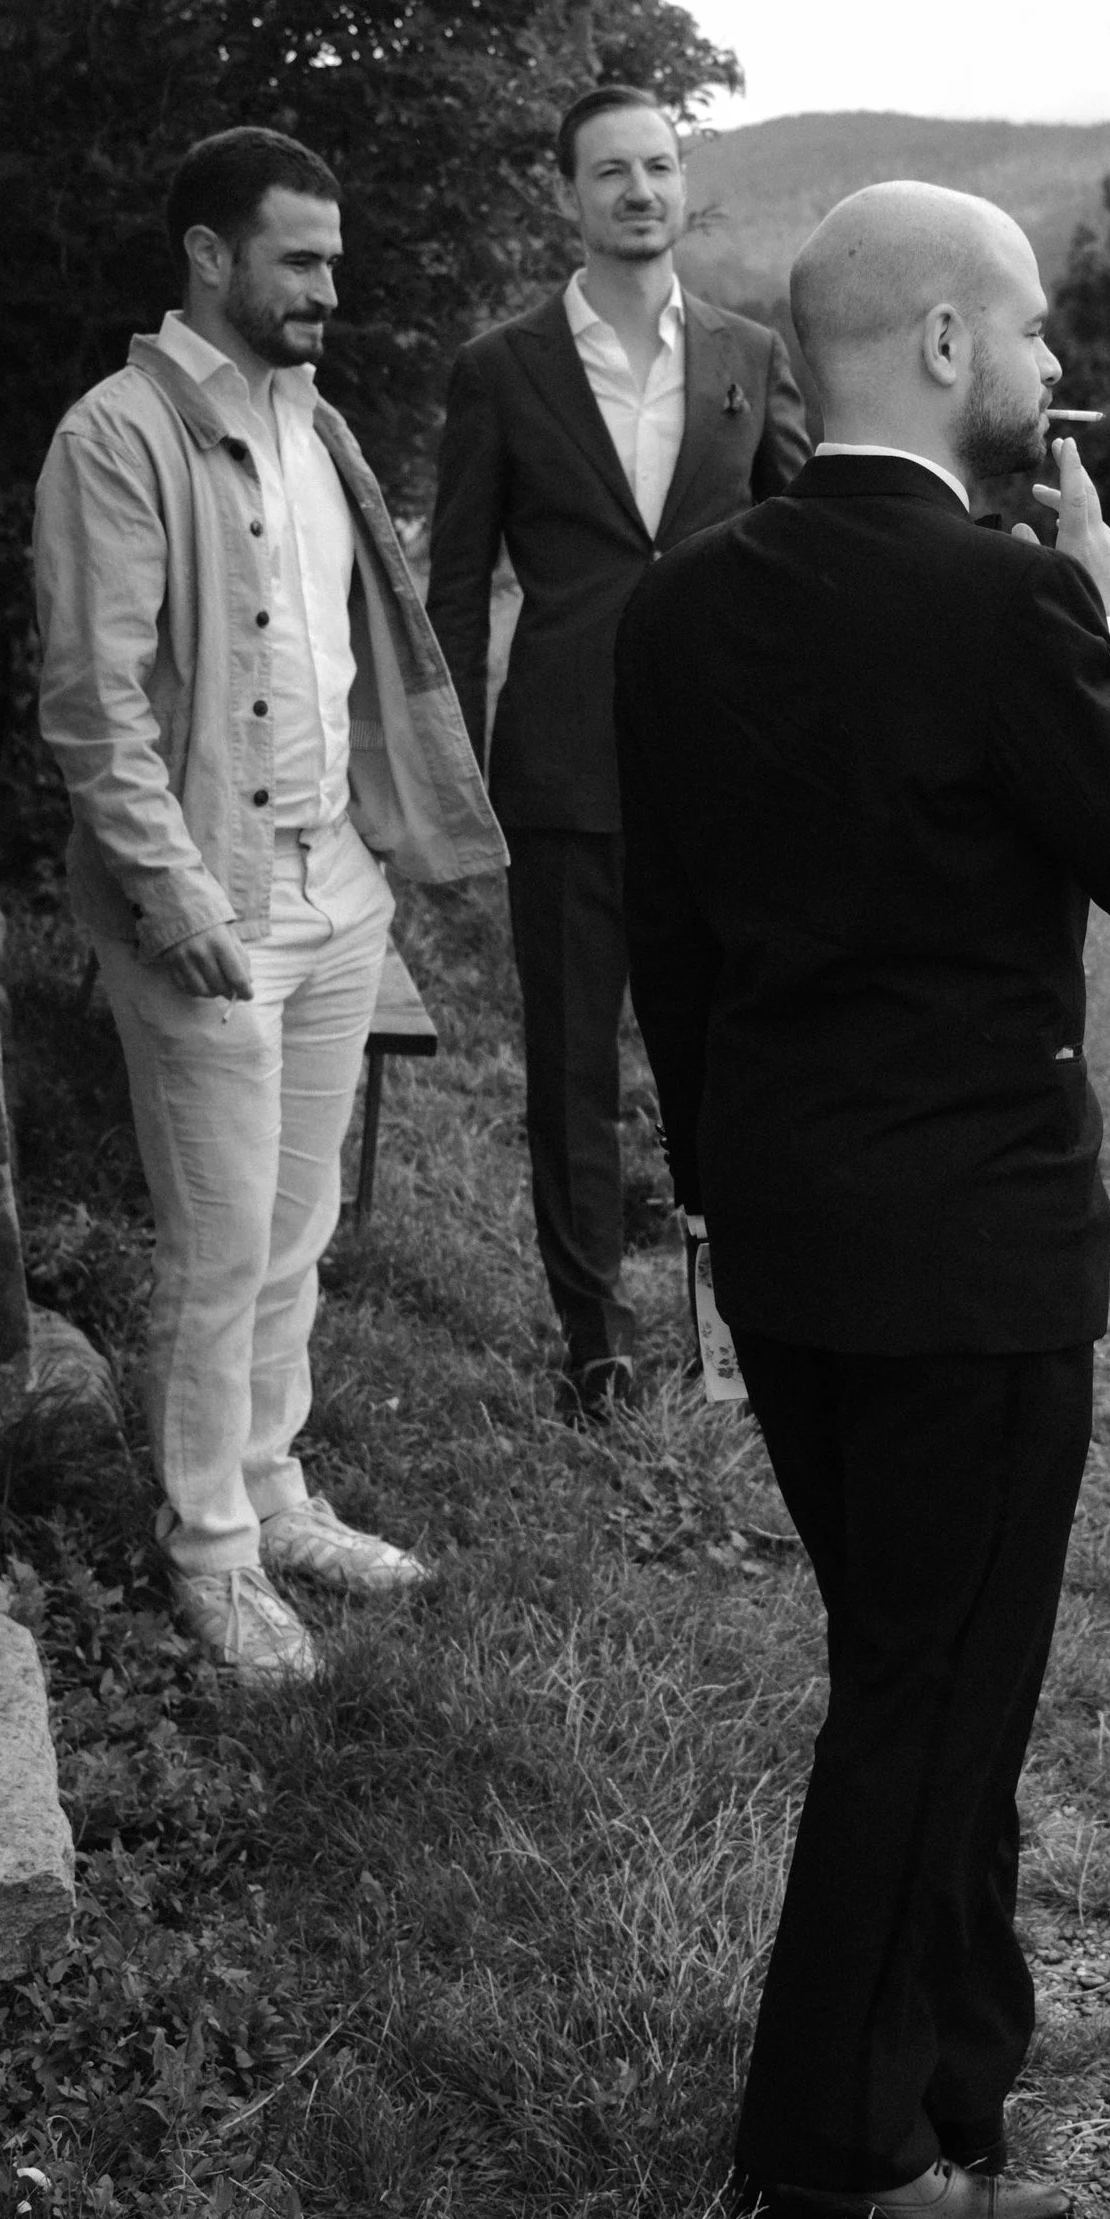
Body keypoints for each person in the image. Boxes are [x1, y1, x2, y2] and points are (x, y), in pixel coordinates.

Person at [616, 182, 1110, 2219]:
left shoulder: (679, 608)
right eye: (1038, 333)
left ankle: (957, 2053)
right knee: (927, 1690)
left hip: (786, 1245)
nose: (1056, 370)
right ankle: (832, 2138)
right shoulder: (1006, 601)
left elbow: (671, 946)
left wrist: (722, 1188)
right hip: (969, 1260)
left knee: (918, 1666)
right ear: (951, 346)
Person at [34, 127, 504, 1676]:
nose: (327, 290)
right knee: (222, 1242)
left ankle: (273, 1490)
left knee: (298, 1232)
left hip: (332, 887)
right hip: (211, 906)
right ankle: (211, 1555)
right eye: (299, 260)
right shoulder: (116, 437)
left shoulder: (320, 427)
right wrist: (174, 899)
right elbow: (95, 707)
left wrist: (374, 856)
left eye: (334, 263)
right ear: (209, 256)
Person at [425, 86, 811, 1420]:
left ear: (682, 182)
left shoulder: (752, 357)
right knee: (575, 1070)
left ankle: (730, 1322)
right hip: (568, 775)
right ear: (567, 198)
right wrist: (451, 777)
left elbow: (813, 557)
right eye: (610, 172)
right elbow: (456, 585)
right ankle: (597, 1339)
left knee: (729, 1059)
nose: (638, 191)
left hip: (727, 774)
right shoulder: (501, 367)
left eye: (658, 167)